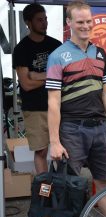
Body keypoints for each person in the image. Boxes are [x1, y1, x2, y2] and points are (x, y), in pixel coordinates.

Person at [46, 1, 106, 217]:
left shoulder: (100, 53)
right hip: (71, 128)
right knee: (69, 185)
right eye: (80, 22)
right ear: (69, 23)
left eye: (88, 21)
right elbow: (53, 102)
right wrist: (54, 142)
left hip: (99, 128)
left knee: (103, 180)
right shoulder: (58, 56)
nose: (85, 26)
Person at [12, 3, 61, 174]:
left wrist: (37, 75)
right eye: (39, 20)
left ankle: (62, 190)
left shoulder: (56, 45)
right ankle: (45, 193)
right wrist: (51, 77)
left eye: (45, 19)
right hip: (34, 109)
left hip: (59, 106)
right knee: (41, 152)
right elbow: (26, 84)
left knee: (62, 151)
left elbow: (63, 76)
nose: (44, 23)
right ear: (28, 23)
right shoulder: (21, 49)